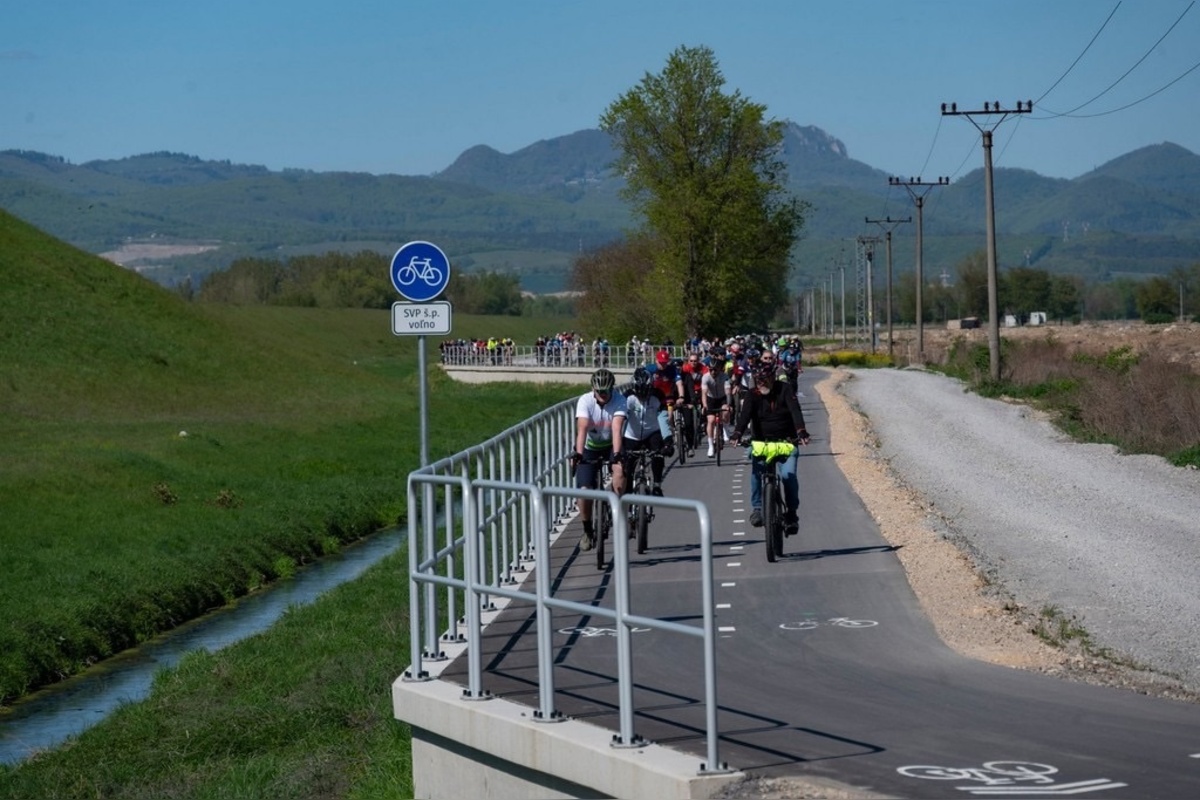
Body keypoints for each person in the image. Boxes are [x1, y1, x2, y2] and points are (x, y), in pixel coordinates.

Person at [729, 359, 810, 536]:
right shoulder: (752, 394)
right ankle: (757, 508)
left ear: (773, 376)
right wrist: (737, 433)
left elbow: (795, 411)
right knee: (756, 474)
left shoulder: (785, 389)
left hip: (786, 442)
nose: (761, 383)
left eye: (764, 379)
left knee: (788, 475)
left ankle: (791, 514)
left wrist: (801, 431)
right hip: (762, 443)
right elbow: (744, 417)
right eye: (757, 379)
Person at [571, 368, 627, 551]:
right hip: (590, 447)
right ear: (593, 389)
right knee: (584, 490)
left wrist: (617, 455)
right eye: (599, 391)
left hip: (612, 444)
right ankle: (587, 530)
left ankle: (617, 513)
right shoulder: (585, 401)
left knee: (619, 472)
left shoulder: (619, 400)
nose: (603, 395)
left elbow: (617, 429)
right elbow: (582, 429)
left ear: (612, 388)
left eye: (606, 391)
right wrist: (578, 454)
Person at [621, 366, 670, 496]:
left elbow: (663, 418)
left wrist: (668, 441)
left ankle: (657, 485)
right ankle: (627, 497)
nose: (643, 396)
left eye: (646, 392)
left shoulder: (658, 396)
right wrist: (617, 442)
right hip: (631, 435)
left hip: (652, 433)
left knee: (658, 456)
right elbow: (620, 420)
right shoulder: (627, 397)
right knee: (627, 468)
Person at [700, 348, 733, 457]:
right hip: (710, 399)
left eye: (716, 370)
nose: (713, 372)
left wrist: (728, 405)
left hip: (722, 397)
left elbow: (728, 393)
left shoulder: (725, 376)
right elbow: (704, 393)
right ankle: (710, 446)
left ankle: (725, 429)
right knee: (711, 420)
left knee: (726, 411)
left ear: (720, 369)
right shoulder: (705, 377)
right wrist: (704, 405)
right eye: (711, 370)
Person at [678, 351, 708, 455]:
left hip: (699, 390)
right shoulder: (685, 369)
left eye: (695, 361)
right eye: (691, 361)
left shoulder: (703, 368)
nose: (693, 363)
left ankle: (702, 421)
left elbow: (706, 379)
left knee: (703, 403)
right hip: (686, 392)